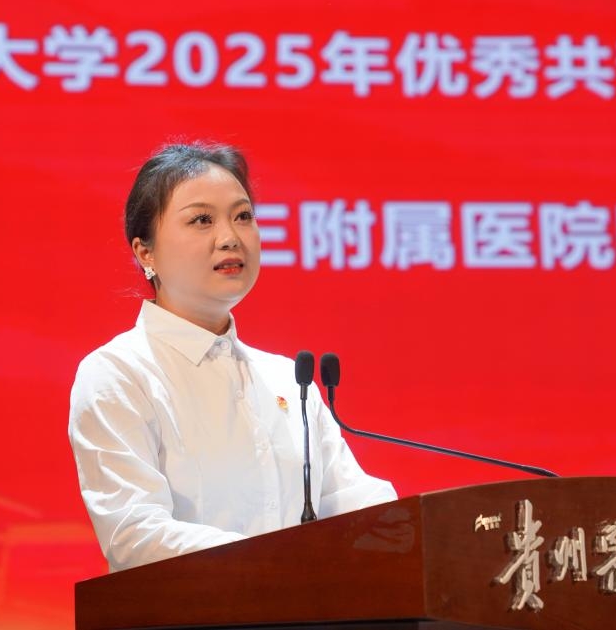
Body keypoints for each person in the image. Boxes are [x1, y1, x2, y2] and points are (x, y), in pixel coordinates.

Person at [68, 141, 396, 571]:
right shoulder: (119, 374)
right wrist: (278, 564)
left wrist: (418, 528)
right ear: (145, 252)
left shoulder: (287, 379)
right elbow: (136, 535)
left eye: (243, 217)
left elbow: (352, 503)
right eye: (202, 220)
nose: (230, 238)